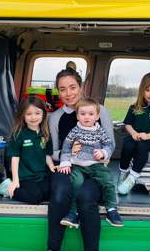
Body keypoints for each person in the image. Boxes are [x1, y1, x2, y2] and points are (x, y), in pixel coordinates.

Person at [48, 65, 115, 251]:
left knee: (86, 197)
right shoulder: (55, 118)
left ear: (81, 87)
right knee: (60, 194)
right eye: (62, 89)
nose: (68, 93)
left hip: (94, 166)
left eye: (72, 87)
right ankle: (53, 248)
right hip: (67, 166)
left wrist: (103, 156)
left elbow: (111, 144)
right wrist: (68, 153)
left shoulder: (100, 111)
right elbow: (53, 151)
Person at [58, 98, 123, 228]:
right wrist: (65, 162)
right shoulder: (74, 131)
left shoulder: (100, 131)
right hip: (78, 165)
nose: (86, 117)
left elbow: (109, 145)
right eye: (82, 114)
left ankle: (111, 209)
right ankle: (73, 213)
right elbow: (66, 148)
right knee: (76, 183)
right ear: (77, 116)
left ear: (97, 116)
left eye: (91, 114)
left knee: (108, 181)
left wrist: (103, 152)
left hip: (96, 164)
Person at [117, 72, 150, 195]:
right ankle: (123, 173)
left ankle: (132, 177)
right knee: (128, 145)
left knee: (142, 147)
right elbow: (128, 124)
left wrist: (147, 136)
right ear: (142, 90)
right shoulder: (134, 107)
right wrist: (134, 133)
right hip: (134, 135)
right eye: (148, 90)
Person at [0, 96, 55, 204]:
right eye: (29, 114)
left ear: (43, 114)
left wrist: (52, 167)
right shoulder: (18, 134)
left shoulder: (45, 134)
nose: (33, 117)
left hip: (41, 175)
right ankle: (7, 188)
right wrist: (15, 180)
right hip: (25, 177)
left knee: (51, 194)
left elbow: (47, 155)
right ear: (23, 116)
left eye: (37, 113)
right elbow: (15, 158)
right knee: (35, 198)